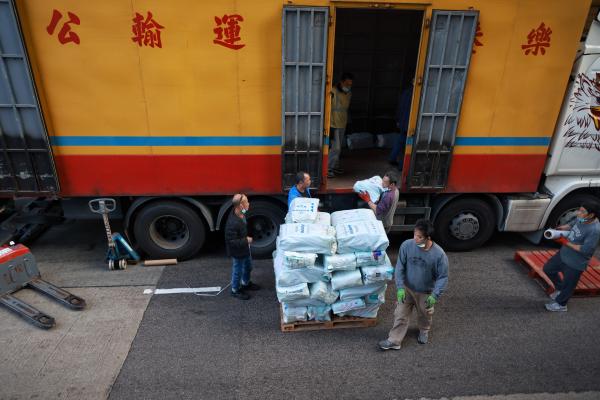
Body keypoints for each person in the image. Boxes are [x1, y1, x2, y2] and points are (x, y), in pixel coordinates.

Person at [379, 219, 449, 350]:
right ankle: (394, 341)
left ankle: (424, 330)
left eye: (419, 237)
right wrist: (400, 287)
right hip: (407, 289)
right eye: (415, 235)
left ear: (428, 238)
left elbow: (443, 277)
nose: (415, 239)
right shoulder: (406, 245)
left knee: (425, 314)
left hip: (425, 292)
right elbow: (400, 267)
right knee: (400, 314)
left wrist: (435, 295)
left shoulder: (439, 255)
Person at [543, 202, 600, 312]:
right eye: (579, 209)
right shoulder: (581, 218)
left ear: (591, 215)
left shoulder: (595, 230)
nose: (578, 213)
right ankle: (559, 289)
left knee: (568, 285)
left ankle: (561, 305)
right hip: (564, 254)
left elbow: (586, 250)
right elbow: (573, 224)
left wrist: (565, 242)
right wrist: (561, 228)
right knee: (548, 269)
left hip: (575, 262)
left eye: (582, 211)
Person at [225, 194, 260, 300]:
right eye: (247, 202)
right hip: (238, 252)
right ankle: (235, 290)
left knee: (248, 267)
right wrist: (246, 240)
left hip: (245, 248)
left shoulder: (241, 213)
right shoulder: (232, 223)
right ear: (241, 205)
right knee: (238, 271)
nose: (248, 204)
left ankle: (246, 283)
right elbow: (232, 242)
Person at [328, 72, 353, 178]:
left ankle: (335, 166)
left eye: (350, 84)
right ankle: (328, 168)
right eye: (347, 84)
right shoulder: (333, 92)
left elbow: (345, 109)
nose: (348, 86)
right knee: (336, 148)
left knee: (339, 148)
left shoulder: (348, 93)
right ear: (341, 82)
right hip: (333, 124)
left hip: (342, 123)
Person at [389, 83, 413, 170]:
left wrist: (398, 120)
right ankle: (402, 166)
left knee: (400, 141)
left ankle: (392, 158)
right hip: (410, 123)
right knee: (407, 145)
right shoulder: (417, 94)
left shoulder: (405, 93)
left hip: (403, 122)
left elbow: (399, 107)